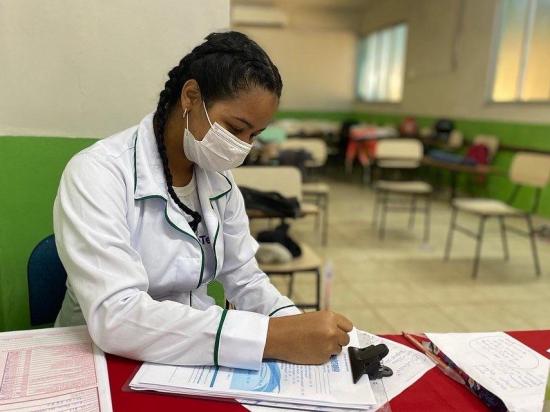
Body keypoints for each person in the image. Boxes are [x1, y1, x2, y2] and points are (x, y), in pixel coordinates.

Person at [53, 31, 353, 371]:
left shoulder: (217, 179)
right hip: (99, 360)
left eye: (254, 135)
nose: (243, 146)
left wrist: (294, 325)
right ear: (191, 96)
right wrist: (270, 337)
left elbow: (245, 278)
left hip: (191, 357)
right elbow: (116, 316)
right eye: (236, 127)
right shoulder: (98, 173)